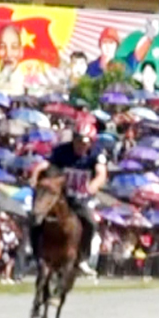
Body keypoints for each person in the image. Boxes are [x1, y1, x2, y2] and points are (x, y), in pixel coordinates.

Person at [28, 116, 107, 275]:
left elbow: (101, 173)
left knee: (90, 222)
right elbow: (46, 164)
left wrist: (93, 185)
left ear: (91, 142)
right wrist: (35, 175)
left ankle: (82, 258)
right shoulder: (62, 151)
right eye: (78, 140)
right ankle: (36, 254)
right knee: (36, 218)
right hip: (61, 195)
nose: (80, 145)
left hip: (81, 197)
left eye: (84, 142)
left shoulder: (96, 154)